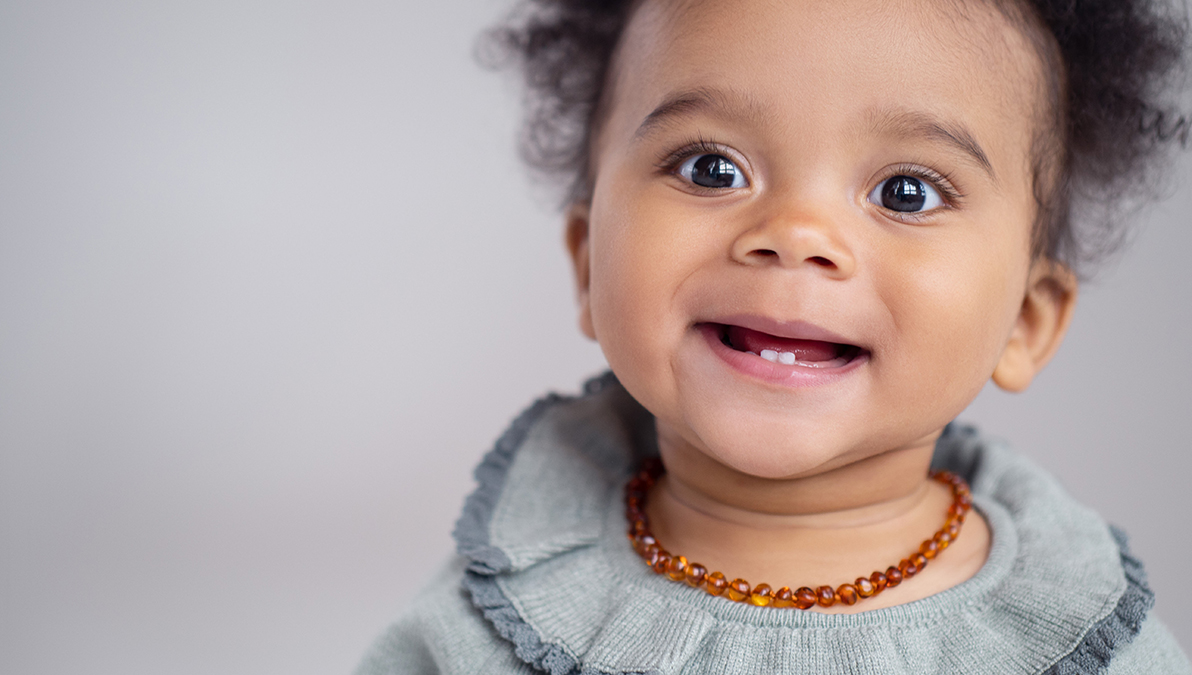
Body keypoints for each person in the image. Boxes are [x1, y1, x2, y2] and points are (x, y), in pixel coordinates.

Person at [358, 0, 1192, 672]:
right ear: (587, 263)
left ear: (1026, 319)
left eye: (905, 191)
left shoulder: (1069, 640)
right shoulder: (509, 601)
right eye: (710, 168)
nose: (795, 233)